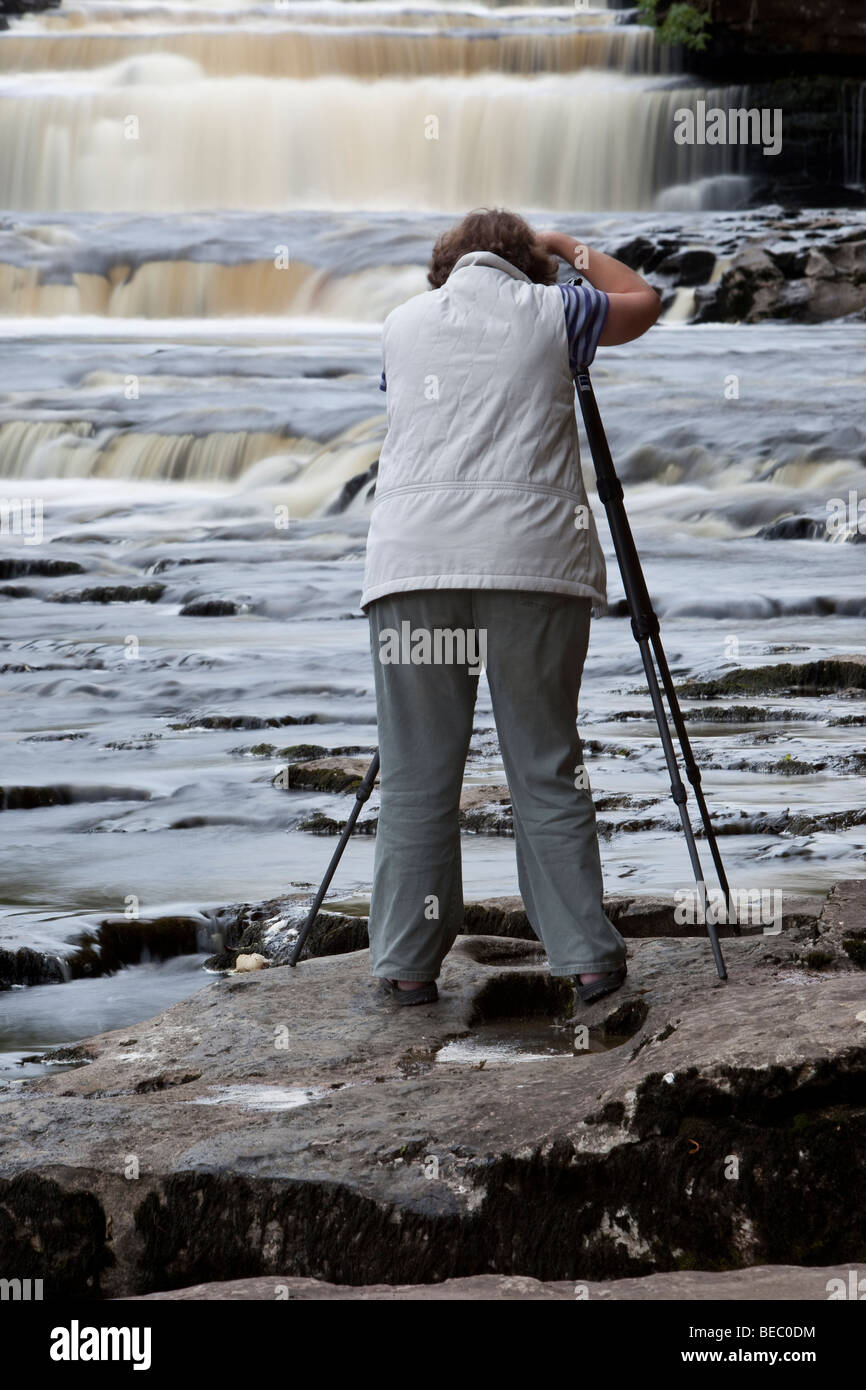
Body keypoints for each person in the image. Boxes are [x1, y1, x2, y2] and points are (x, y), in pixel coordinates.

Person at [360, 207, 661, 1007]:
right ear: (528, 267)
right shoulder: (558, 308)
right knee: (543, 761)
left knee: (418, 772)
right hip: (534, 563)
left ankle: (403, 965)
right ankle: (587, 958)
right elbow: (645, 303)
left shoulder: (401, 324)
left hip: (413, 567)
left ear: (444, 267)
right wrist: (569, 249)